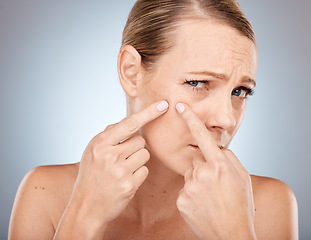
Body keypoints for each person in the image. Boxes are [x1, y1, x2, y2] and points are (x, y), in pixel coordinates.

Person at [8, 0, 299, 239]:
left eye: (240, 91)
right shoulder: (43, 194)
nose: (226, 119)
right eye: (198, 83)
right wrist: (84, 215)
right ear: (131, 71)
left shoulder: (268, 206)